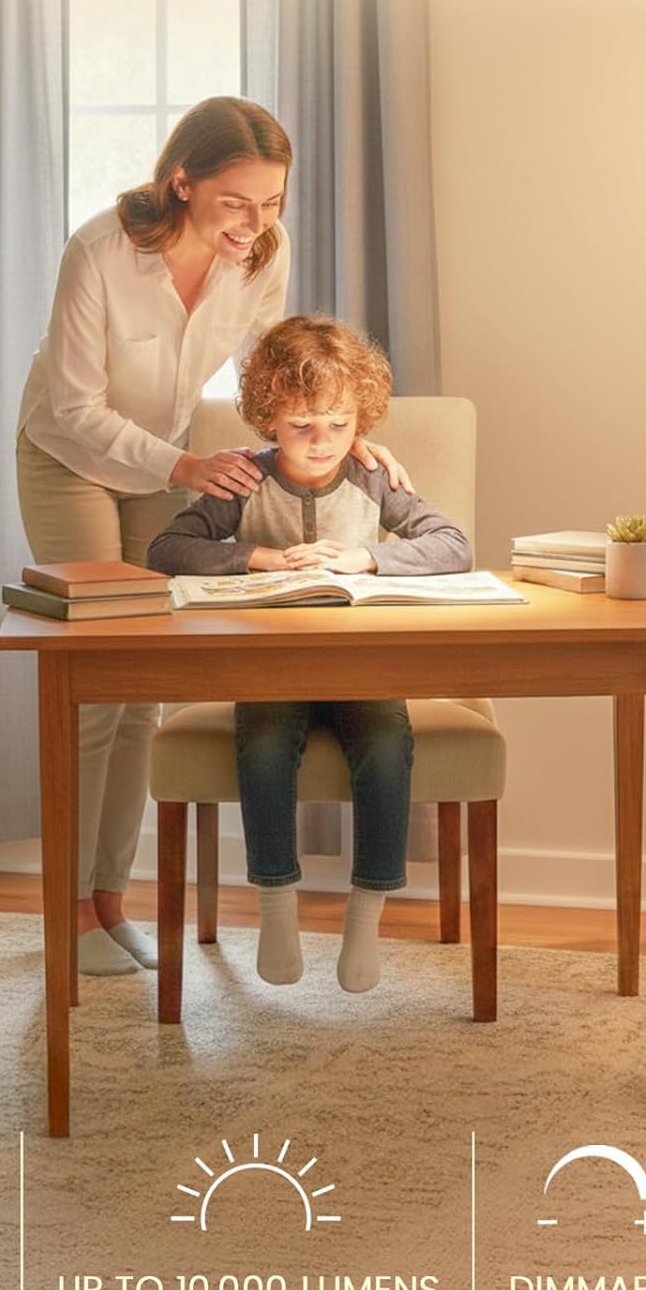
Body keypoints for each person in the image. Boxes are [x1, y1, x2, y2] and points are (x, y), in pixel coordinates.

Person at [16, 97, 410, 978]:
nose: (255, 225)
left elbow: (269, 378)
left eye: (272, 203)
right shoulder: (101, 253)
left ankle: (109, 901)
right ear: (182, 181)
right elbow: (76, 409)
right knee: (93, 684)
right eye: (237, 203)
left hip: (167, 460)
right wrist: (186, 469)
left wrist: (338, 431)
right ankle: (67, 913)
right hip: (70, 456)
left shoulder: (260, 253)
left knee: (142, 694)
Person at [146, 316, 471, 993]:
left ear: (361, 421)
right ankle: (276, 911)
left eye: (338, 423)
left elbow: (452, 545)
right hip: (269, 672)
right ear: (269, 419)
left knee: (386, 742)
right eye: (301, 425)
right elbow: (167, 551)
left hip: (362, 668)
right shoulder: (241, 481)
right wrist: (257, 558)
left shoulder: (372, 477)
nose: (322, 442)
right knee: (262, 742)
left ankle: (365, 918)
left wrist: (365, 557)